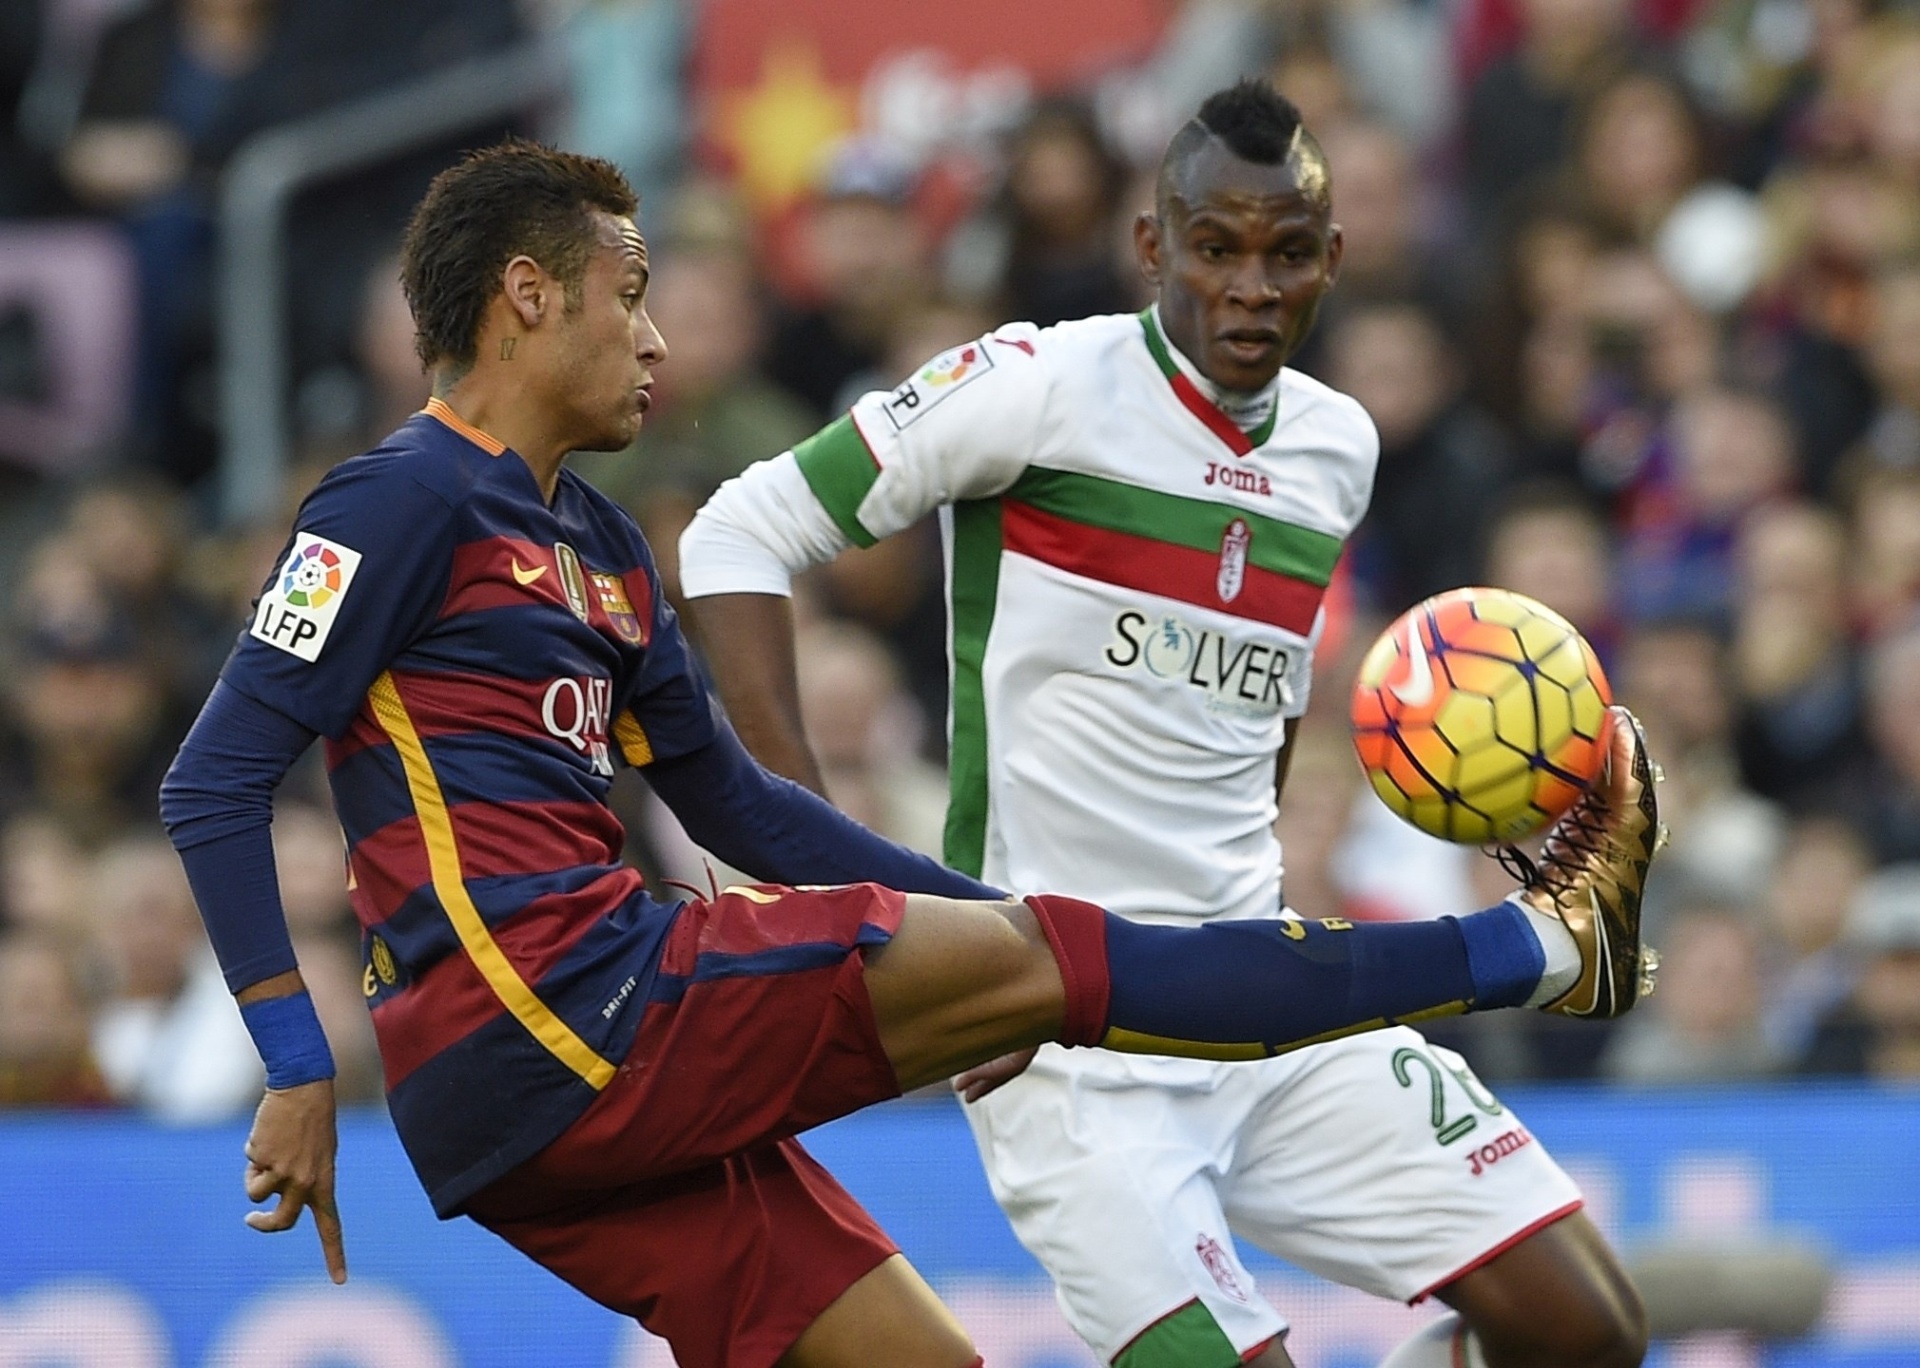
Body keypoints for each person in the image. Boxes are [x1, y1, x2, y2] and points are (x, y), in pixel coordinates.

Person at [160, 138, 1662, 1368]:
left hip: (556, 1096)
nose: (660, 338)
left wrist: (958, 925)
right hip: (562, 1016)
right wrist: (294, 1060)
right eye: (632, 296)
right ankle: (1530, 949)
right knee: (1076, 967)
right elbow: (213, 780)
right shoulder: (395, 503)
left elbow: (737, 803)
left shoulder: (604, 546)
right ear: (528, 296)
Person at [682, 83, 1656, 1368]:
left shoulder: (1336, 449)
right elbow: (734, 532)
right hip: (1059, 1034)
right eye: (1217, 248)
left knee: (1588, 1332)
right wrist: (809, 851)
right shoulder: (1033, 386)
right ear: (1153, 249)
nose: (1251, 285)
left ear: (1331, 261)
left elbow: (1224, 728)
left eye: (1287, 253)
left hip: (1269, 995)